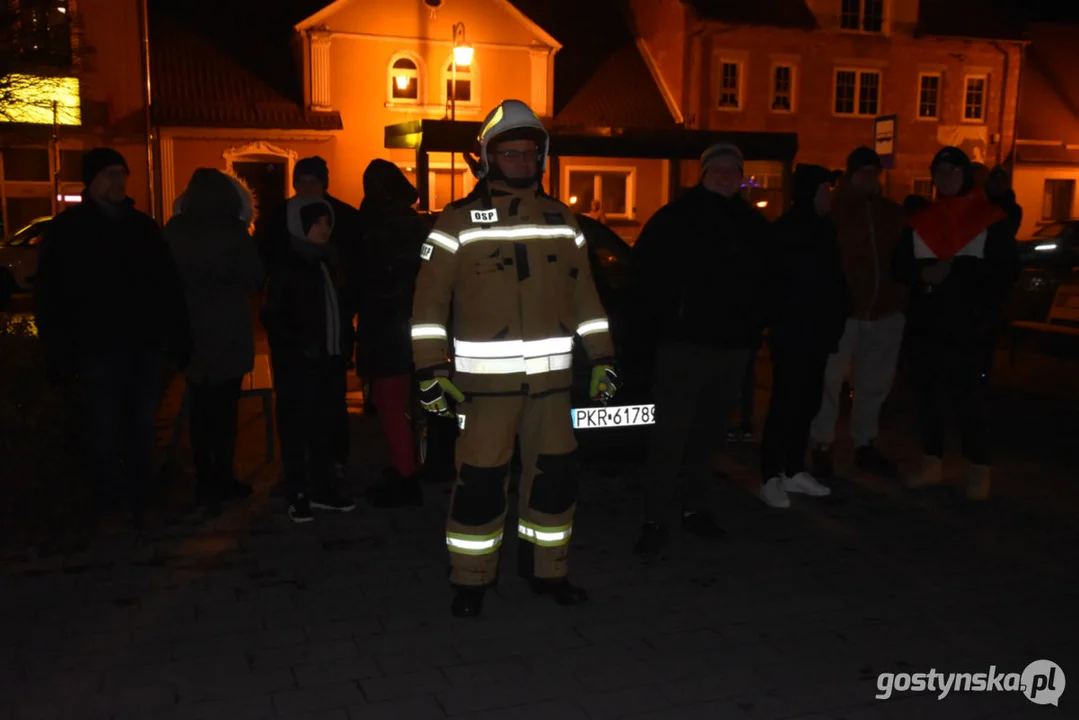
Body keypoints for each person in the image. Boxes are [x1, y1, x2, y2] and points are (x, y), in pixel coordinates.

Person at [411, 99, 617, 618]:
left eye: (531, 153)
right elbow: (428, 305)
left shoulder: (563, 220)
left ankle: (550, 572)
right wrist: (431, 370)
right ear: (487, 158)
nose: (522, 162)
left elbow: (586, 298)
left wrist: (603, 357)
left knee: (555, 482)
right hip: (484, 394)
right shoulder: (455, 222)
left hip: (551, 389)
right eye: (511, 153)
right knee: (479, 484)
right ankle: (471, 580)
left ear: (542, 158)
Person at [34, 147, 191, 528]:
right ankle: (107, 498)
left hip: (144, 346)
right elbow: (50, 295)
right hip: (97, 348)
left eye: (122, 173)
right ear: (91, 182)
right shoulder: (68, 231)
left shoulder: (142, 228)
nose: (118, 181)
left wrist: (178, 336)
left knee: (141, 425)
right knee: (102, 426)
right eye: (109, 174)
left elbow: (168, 286)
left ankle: (140, 495)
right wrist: (58, 350)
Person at [630, 142, 772, 554]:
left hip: (731, 350)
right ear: (703, 173)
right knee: (670, 436)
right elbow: (644, 284)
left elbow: (770, 282)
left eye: (734, 170)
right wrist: (654, 337)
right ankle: (655, 517)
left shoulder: (752, 225)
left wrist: (753, 327)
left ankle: (696, 508)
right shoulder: (674, 220)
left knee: (709, 435)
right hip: (682, 349)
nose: (727, 176)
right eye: (719, 169)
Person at [893, 146, 1020, 501]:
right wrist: (923, 275)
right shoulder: (921, 221)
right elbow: (899, 265)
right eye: (940, 171)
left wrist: (976, 301)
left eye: (953, 171)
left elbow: (1006, 271)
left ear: (965, 175)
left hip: (968, 326)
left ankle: (979, 467)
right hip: (928, 324)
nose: (946, 178)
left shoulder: (990, 219)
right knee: (927, 396)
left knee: (969, 399)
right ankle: (931, 462)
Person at [166, 169, 265, 511]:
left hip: (190, 329)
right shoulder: (234, 231)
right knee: (225, 408)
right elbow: (255, 277)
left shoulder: (174, 230)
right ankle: (223, 476)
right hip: (228, 329)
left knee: (198, 406)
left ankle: (203, 478)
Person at [809, 147, 908, 479]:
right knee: (829, 381)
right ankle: (821, 443)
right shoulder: (835, 211)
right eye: (862, 172)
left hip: (884, 311)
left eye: (873, 172)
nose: (869, 178)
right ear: (850, 174)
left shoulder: (892, 213)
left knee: (874, 384)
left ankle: (864, 442)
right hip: (844, 313)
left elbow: (905, 259)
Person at [261, 156, 359, 482]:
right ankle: (299, 469)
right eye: (300, 181)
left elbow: (350, 282)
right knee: (294, 405)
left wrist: (343, 324)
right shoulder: (280, 220)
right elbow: (272, 295)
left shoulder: (341, 219)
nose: (305, 188)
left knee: (331, 404)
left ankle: (332, 460)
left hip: (330, 334)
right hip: (298, 342)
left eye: (312, 181)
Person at [759, 165, 850, 508]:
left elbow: (834, 282)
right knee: (785, 403)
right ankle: (770, 475)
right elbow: (776, 285)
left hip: (817, 335)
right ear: (811, 193)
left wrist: (837, 316)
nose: (830, 196)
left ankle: (794, 469)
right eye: (826, 189)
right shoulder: (786, 232)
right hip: (793, 333)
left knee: (809, 402)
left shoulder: (824, 231)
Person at [352, 159, 428, 507]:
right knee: (402, 403)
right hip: (411, 326)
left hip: (386, 328)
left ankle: (405, 474)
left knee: (390, 403)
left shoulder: (376, 226)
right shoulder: (413, 225)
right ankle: (407, 467)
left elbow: (369, 280)